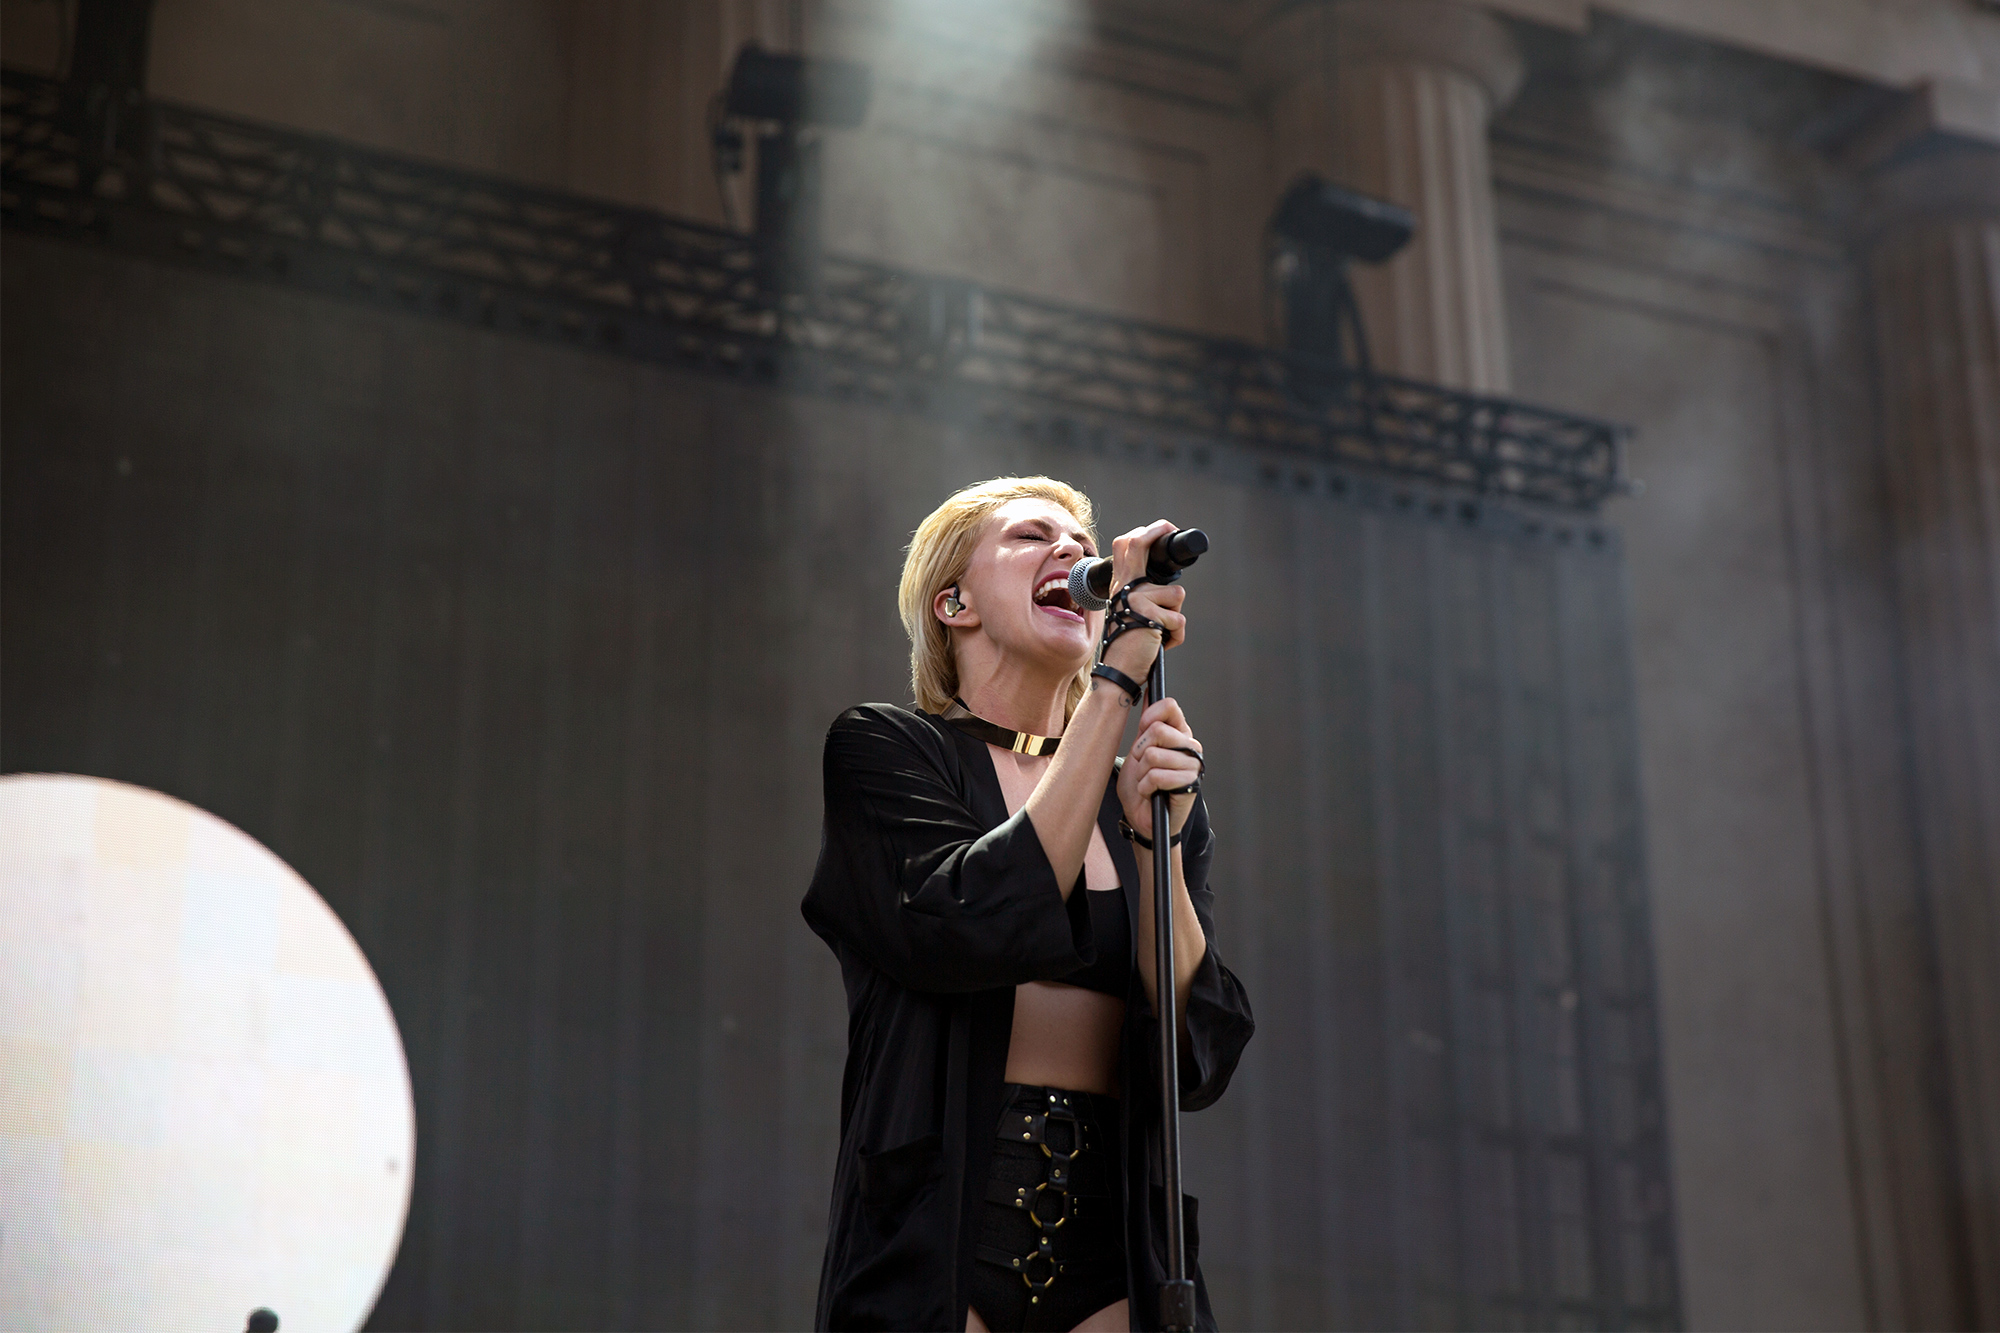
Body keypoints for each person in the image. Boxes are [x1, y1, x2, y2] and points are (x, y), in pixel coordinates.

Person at [802, 476, 1255, 1332]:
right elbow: (972, 920)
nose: (1072, 550)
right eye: (1030, 536)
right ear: (954, 604)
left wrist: (1156, 847)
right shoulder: (887, 748)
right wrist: (1116, 680)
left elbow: (1198, 1053)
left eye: (1081, 543)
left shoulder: (1144, 796)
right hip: (941, 1234)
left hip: (1117, 1246)